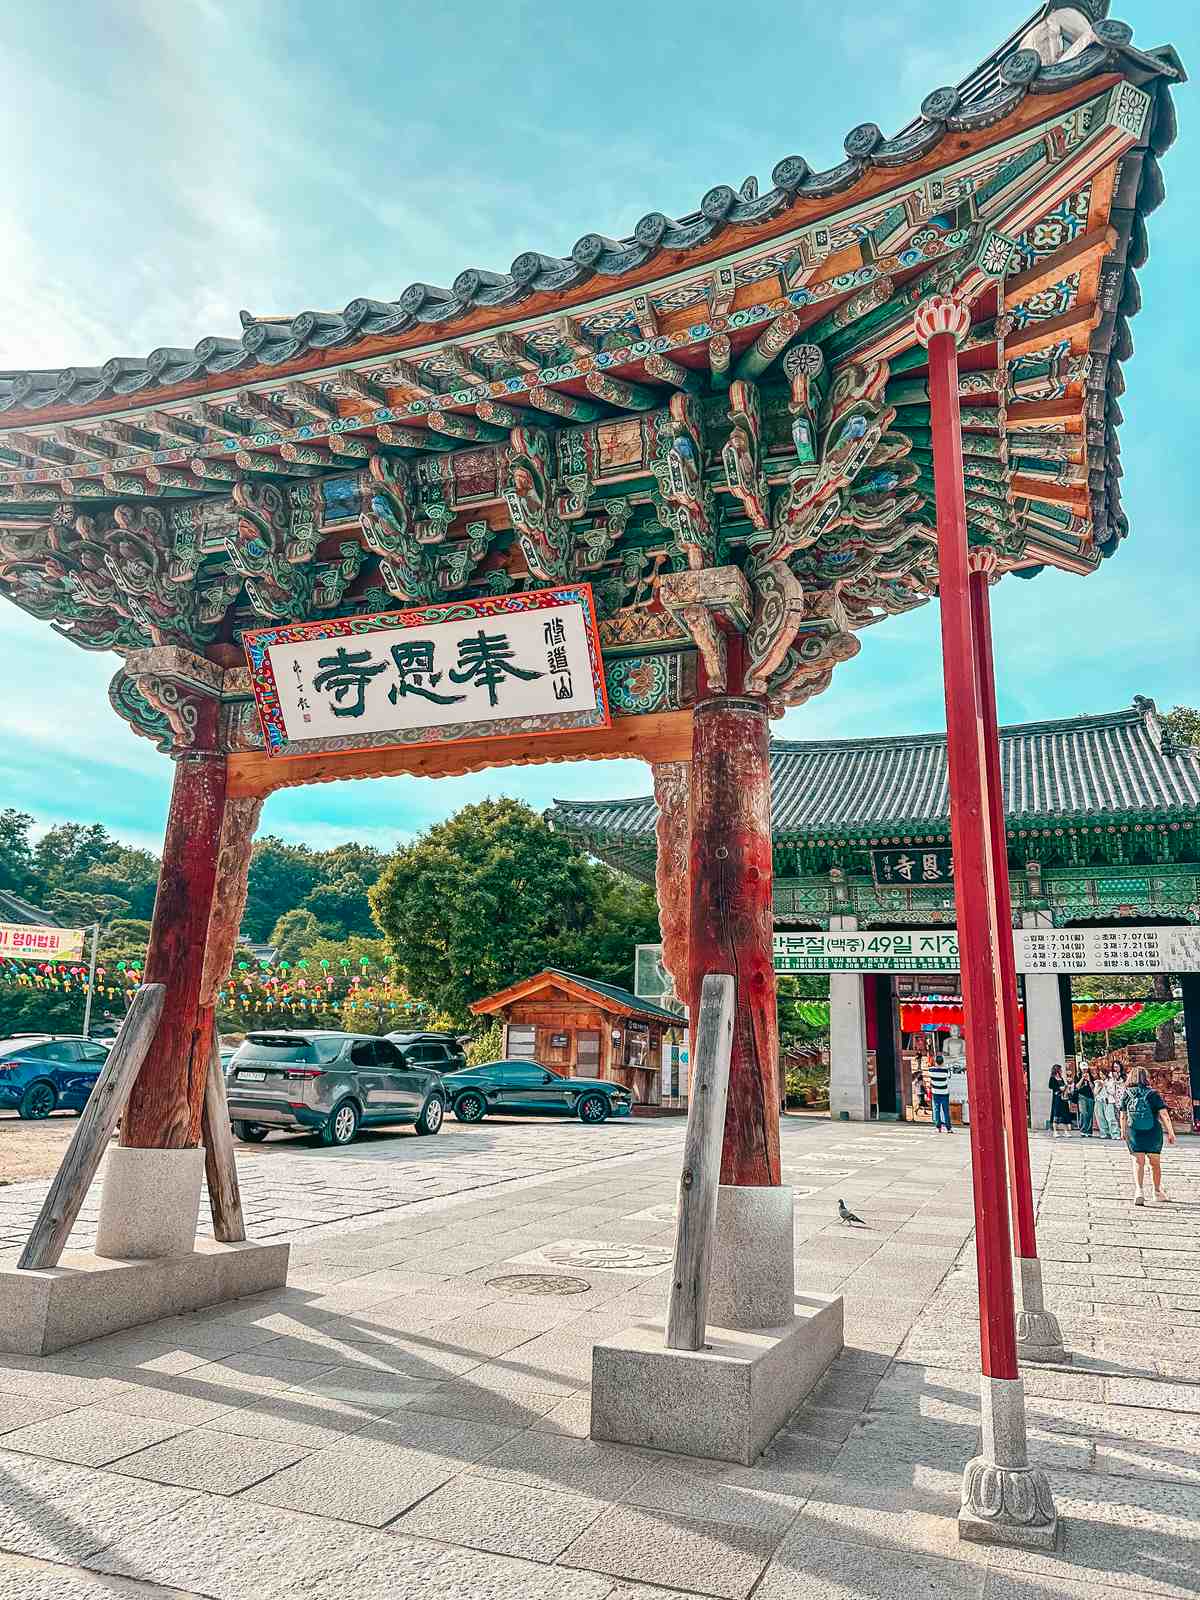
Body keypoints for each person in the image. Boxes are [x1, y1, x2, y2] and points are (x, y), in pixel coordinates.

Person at [1120, 1064, 1176, 1205]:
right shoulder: (1152, 1094)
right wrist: (1170, 1132)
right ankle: (1157, 1192)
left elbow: (1123, 1115)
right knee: (1155, 1163)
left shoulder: (1127, 1093)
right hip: (1152, 1132)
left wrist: (1123, 1132)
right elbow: (1164, 1114)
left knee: (1138, 1162)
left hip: (1134, 1132)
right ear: (1146, 1078)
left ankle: (1139, 1191)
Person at [928, 1051, 952, 1133]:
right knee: (946, 1111)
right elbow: (949, 1077)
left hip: (935, 1093)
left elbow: (930, 1068)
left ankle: (938, 1128)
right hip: (944, 1093)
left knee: (936, 1110)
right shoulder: (946, 1070)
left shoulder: (931, 1071)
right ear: (943, 1062)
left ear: (935, 1062)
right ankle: (949, 1128)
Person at [1097, 1067, 1122, 1139]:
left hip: (1109, 1101)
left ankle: (1115, 1133)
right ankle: (1105, 1133)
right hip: (1101, 1100)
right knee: (1101, 1118)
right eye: (1100, 1074)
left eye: (1102, 1074)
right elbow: (1096, 1093)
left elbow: (1113, 1092)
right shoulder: (1099, 1081)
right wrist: (1099, 1086)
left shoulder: (1111, 1081)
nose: (1101, 1076)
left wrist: (1105, 1086)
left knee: (1111, 1118)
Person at [1048, 1065, 1072, 1138]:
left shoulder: (1061, 1078)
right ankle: (1055, 1131)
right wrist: (1059, 1088)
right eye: (1060, 1069)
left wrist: (1066, 1087)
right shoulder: (1052, 1078)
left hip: (1063, 1098)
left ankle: (1066, 1131)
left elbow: (1064, 1086)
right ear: (1057, 1070)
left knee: (1064, 1114)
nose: (1061, 1070)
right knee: (1056, 1114)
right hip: (1057, 1099)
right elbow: (1050, 1086)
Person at [1076, 1066, 1096, 1137]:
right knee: (1083, 1112)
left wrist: (1089, 1080)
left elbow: (1093, 1087)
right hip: (1081, 1096)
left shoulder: (1091, 1076)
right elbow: (1077, 1086)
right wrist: (1082, 1078)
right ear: (1080, 1069)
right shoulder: (1077, 1076)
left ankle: (1089, 1131)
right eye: (1083, 1069)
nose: (1085, 1070)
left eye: (1086, 1069)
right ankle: (1083, 1130)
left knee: (1090, 1114)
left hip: (1090, 1097)